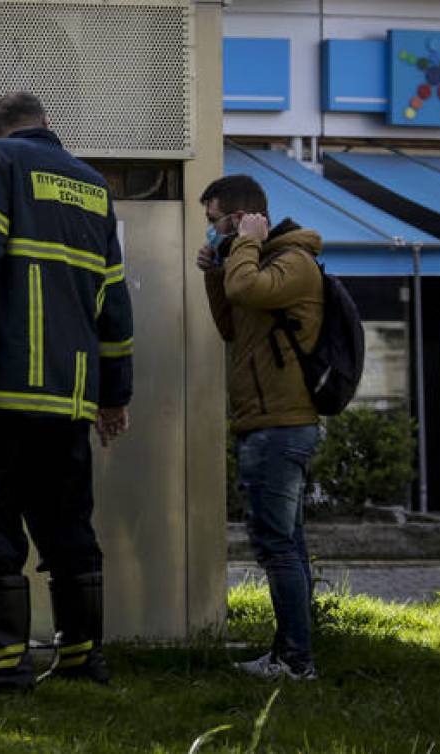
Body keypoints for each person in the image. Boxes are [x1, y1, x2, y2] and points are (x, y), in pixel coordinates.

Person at [0, 92, 133, 691]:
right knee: (67, 522)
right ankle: (80, 657)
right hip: (70, 396)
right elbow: (114, 305)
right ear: (49, 124)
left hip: (0, 387)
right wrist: (114, 394)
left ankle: (1, 662)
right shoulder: (93, 185)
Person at [196, 174, 325, 681]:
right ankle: (289, 652)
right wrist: (215, 270)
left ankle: (296, 659)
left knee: (278, 547)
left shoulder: (293, 262)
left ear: (240, 215)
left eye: (214, 222)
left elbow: (247, 287)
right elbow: (233, 325)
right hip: (263, 421)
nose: (209, 232)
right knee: (284, 544)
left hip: (282, 424)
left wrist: (244, 244)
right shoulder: (256, 261)